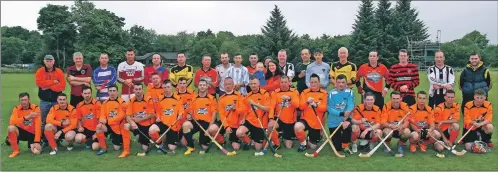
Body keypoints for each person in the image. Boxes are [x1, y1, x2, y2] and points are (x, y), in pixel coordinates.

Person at [236, 77, 274, 156]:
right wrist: (243, 118)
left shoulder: (265, 93)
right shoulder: (248, 95)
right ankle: (250, 142)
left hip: (260, 123)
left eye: (255, 83)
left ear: (258, 84)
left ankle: (266, 140)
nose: (253, 85)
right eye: (251, 84)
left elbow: (267, 109)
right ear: (249, 85)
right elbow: (246, 110)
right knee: (239, 133)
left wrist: (255, 104)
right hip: (249, 120)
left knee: (258, 148)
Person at [207, 77, 245, 152]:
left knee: (236, 147)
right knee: (211, 129)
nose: (228, 86)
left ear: (233, 85)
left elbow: (243, 110)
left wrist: (235, 109)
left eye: (230, 84)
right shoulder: (221, 98)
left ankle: (244, 140)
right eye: (226, 84)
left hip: (235, 123)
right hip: (225, 122)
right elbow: (221, 114)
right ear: (224, 85)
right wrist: (226, 126)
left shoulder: (239, 96)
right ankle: (222, 141)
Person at [183, 80, 218, 155]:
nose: (202, 86)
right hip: (196, 122)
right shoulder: (193, 98)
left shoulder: (212, 98)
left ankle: (206, 140)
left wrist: (209, 128)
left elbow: (214, 114)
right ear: (198, 87)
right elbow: (191, 111)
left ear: (207, 87)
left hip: (206, 123)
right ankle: (191, 146)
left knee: (204, 146)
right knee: (185, 125)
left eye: (204, 85)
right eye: (200, 85)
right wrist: (189, 115)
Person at [294, 74, 328, 152]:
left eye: (315, 82)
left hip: (316, 123)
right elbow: (301, 107)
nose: (313, 84)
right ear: (309, 83)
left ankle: (310, 138)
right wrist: (307, 102)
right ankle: (303, 143)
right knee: (297, 126)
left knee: (312, 147)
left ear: (319, 83)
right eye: (311, 82)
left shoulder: (324, 93)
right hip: (305, 119)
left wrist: (316, 105)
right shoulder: (304, 92)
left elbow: (325, 108)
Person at [148, 80, 184, 154]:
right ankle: (160, 143)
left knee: (172, 148)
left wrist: (180, 114)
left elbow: (181, 109)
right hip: (163, 123)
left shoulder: (178, 98)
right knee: (152, 130)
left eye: (168, 87)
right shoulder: (160, 98)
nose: (166, 89)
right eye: (164, 87)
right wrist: (158, 117)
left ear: (171, 87)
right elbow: (158, 111)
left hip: (173, 125)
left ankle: (168, 140)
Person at [95, 85, 129, 157]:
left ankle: (124, 141)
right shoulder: (105, 102)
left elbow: (121, 116)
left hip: (118, 127)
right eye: (110, 91)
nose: (112, 93)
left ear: (117, 92)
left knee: (116, 148)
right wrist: (101, 122)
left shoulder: (122, 102)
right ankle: (103, 148)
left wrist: (108, 121)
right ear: (108, 92)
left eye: (114, 91)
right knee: (99, 127)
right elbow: (102, 115)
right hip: (108, 125)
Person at [35, 55, 66, 130]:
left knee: (57, 120)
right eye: (47, 61)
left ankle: (56, 138)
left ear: (54, 61)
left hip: (56, 101)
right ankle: (42, 139)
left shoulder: (59, 71)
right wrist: (54, 82)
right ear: (44, 62)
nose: (49, 63)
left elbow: (62, 86)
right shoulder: (40, 71)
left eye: (50, 61)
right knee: (43, 120)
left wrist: (47, 86)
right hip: (44, 101)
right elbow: (39, 83)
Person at [6, 92, 42, 158]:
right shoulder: (16, 108)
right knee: (10, 128)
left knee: (36, 152)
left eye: (25, 100)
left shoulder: (35, 108)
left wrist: (37, 140)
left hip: (33, 133)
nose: (24, 102)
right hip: (23, 132)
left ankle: (33, 144)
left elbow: (38, 124)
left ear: (29, 100)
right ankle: (16, 150)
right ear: (19, 101)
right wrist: (26, 117)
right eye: (22, 100)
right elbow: (12, 122)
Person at [269, 76, 299, 149]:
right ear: (280, 83)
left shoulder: (294, 91)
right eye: (282, 82)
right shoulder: (275, 92)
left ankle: (282, 135)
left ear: (289, 82)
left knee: (288, 146)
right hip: (278, 118)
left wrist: (289, 99)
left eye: (285, 82)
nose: (284, 84)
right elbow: (272, 107)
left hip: (290, 120)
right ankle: (277, 143)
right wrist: (271, 118)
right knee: (270, 126)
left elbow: (297, 105)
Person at [125, 83, 155, 156]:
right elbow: (127, 116)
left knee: (145, 148)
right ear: (133, 90)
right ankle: (126, 147)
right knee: (126, 125)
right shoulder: (131, 101)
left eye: (139, 89)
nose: (138, 91)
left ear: (142, 90)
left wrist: (138, 120)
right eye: (136, 89)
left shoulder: (148, 99)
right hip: (137, 125)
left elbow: (151, 114)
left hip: (148, 125)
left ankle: (151, 139)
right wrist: (132, 122)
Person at [327, 74, 354, 154]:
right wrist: (342, 113)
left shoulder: (350, 92)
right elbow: (330, 109)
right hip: (333, 121)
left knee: (347, 125)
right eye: (339, 82)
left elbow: (351, 104)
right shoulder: (331, 93)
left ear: (346, 83)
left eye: (343, 82)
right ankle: (339, 141)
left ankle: (346, 145)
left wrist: (348, 112)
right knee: (337, 148)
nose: (341, 84)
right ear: (336, 83)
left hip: (345, 119)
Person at [381, 91, 411, 157]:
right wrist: (390, 125)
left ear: (401, 98)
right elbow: (383, 122)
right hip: (389, 128)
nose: (395, 100)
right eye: (393, 98)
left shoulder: (405, 106)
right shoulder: (386, 106)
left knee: (407, 132)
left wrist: (401, 126)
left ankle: (400, 145)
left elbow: (407, 122)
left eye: (397, 98)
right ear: (391, 99)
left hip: (400, 129)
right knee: (386, 132)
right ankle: (387, 144)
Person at [74, 86, 101, 150]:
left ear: (91, 93)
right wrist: (80, 127)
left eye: (89, 93)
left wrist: (97, 133)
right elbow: (79, 119)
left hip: (96, 129)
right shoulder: (79, 105)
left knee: (95, 148)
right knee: (78, 139)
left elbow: (100, 120)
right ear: (82, 94)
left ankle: (98, 140)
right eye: (85, 93)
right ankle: (88, 140)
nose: (87, 95)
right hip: (86, 129)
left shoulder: (97, 103)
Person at [176, 77, 197, 146]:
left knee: (185, 143)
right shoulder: (174, 95)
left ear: (186, 84)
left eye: (184, 83)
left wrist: (190, 113)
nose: (182, 85)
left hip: (189, 119)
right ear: (177, 85)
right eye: (180, 83)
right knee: (182, 144)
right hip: (179, 120)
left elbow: (195, 105)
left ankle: (190, 136)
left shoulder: (192, 93)